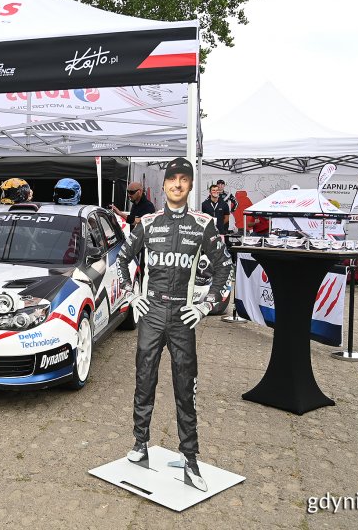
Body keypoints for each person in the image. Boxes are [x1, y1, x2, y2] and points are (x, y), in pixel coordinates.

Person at [115, 157, 232, 492]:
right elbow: (123, 260)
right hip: (151, 312)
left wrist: (206, 304)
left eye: (184, 179)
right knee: (144, 378)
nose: (178, 184)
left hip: (183, 315)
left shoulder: (204, 223)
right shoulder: (148, 222)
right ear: (164, 184)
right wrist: (131, 295)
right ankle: (140, 443)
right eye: (172, 179)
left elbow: (224, 267)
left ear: (191, 185)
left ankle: (191, 458)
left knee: (186, 387)